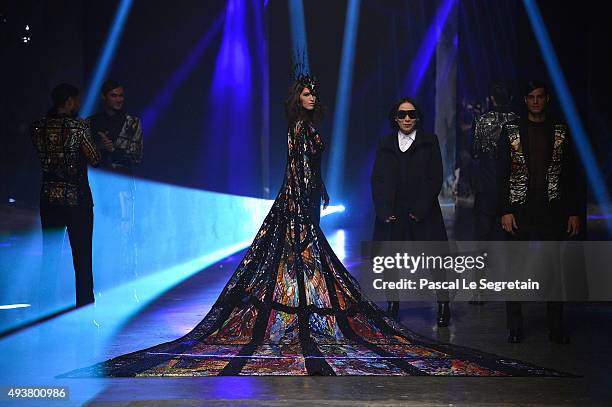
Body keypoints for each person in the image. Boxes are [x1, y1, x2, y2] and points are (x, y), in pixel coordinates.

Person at [67, 74, 567, 377]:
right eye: (306, 92)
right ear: (296, 98)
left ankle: (301, 318)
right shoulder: (298, 128)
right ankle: (295, 321)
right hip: (297, 202)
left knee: (306, 265)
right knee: (293, 264)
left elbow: (311, 168)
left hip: (308, 199)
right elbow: (297, 168)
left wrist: (317, 192)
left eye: (313, 92)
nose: (311, 96)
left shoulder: (315, 128)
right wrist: (304, 199)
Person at [499, 80, 581, 344]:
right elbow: (501, 174)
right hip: (519, 209)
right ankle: (514, 327)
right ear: (525, 100)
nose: (535, 101)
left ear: (547, 99)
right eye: (531, 97)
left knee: (553, 270)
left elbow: (572, 175)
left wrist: (573, 212)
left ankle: (556, 328)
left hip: (552, 210)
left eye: (540, 97)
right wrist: (505, 210)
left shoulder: (561, 130)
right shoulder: (511, 131)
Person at [371, 98, 450, 326]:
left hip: (423, 210)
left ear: (418, 117)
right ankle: (393, 303)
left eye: (411, 114)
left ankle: (443, 304)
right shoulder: (385, 143)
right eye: (402, 114)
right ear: (395, 118)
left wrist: (421, 209)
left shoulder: (429, 141)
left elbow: (436, 177)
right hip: (394, 212)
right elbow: (378, 179)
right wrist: (383, 209)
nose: (407, 118)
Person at [31, 83, 101, 307]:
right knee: (82, 258)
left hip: (49, 198)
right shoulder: (78, 127)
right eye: (77, 100)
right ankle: (84, 307)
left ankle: (45, 309)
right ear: (70, 101)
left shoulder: (38, 127)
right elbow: (95, 159)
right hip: (76, 199)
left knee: (49, 257)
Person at [88, 80, 143, 288]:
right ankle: (100, 282)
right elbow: (84, 154)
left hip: (123, 185)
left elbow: (137, 156)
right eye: (114, 95)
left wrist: (113, 149)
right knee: (100, 233)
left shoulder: (132, 123)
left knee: (126, 233)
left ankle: (127, 284)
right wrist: (99, 147)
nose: (118, 99)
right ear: (104, 96)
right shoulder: (91, 123)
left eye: (121, 95)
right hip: (98, 186)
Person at [470, 82, 519, 304]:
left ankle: (479, 291)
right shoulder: (518, 122)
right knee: (513, 240)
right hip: (512, 186)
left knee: (481, 242)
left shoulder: (481, 121)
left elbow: (474, 153)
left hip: (486, 187)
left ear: (491, 98)